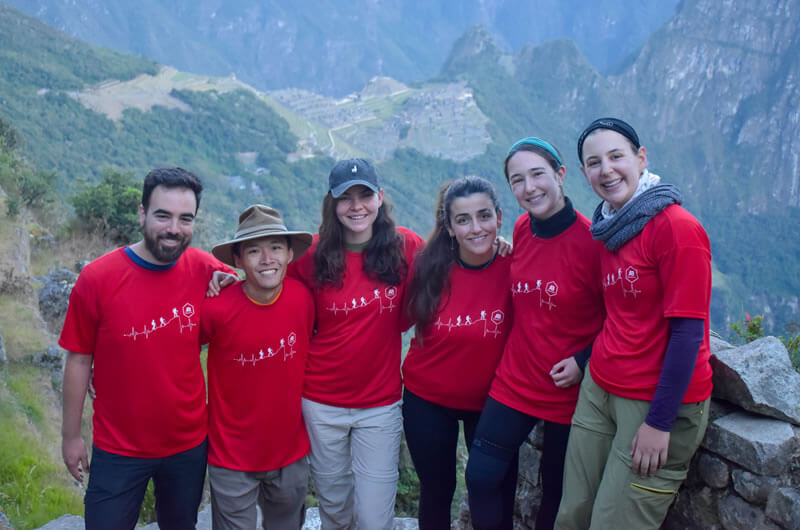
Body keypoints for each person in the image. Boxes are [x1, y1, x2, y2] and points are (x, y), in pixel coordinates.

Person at [554, 118, 713, 529]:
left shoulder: (676, 229)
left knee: (615, 523)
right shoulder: (611, 228)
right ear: (584, 173)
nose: (606, 170)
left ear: (641, 159)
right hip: (601, 386)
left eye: (616, 156)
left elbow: (687, 334)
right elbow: (622, 315)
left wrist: (660, 423)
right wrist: (585, 359)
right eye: (594, 163)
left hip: (654, 402)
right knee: (573, 512)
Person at [59, 167, 232, 529]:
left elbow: (245, 307)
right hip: (118, 447)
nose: (174, 228)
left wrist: (227, 281)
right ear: (141, 213)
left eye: (186, 219)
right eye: (162, 215)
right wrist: (71, 436)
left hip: (187, 445)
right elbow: (78, 359)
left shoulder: (205, 270)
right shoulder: (98, 279)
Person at [465, 138, 605, 530]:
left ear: (561, 175)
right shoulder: (523, 228)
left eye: (538, 174)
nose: (529, 187)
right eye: (517, 180)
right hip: (515, 381)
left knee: (556, 498)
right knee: (481, 476)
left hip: (568, 394)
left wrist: (583, 360)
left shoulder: (593, 243)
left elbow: (621, 317)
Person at [288, 158, 424, 529]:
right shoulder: (311, 255)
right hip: (321, 402)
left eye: (365, 195)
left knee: (372, 516)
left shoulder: (405, 247)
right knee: (335, 509)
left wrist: (501, 247)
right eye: (345, 198)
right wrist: (217, 277)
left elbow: (452, 265)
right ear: (332, 204)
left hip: (380, 405)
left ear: (380, 198)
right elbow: (264, 279)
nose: (356, 205)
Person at [402, 176, 513, 529]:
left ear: (498, 216)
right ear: (449, 227)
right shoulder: (428, 268)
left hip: (493, 402)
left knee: (494, 489)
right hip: (427, 399)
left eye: (484, 216)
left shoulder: (517, 266)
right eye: (463, 220)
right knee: (437, 489)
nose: (476, 228)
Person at [201, 205, 314, 529]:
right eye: (254, 251)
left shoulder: (303, 300)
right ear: (238, 260)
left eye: (276, 248)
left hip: (290, 453)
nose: (267, 259)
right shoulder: (217, 308)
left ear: (290, 254)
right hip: (230, 456)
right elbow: (177, 351)